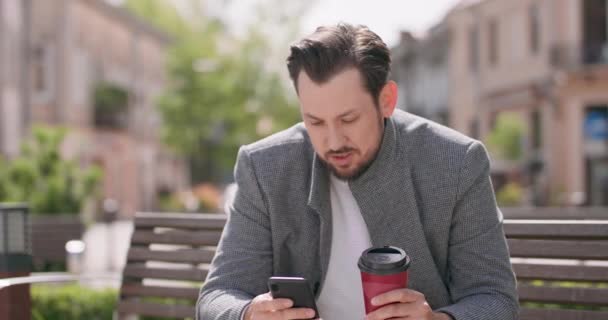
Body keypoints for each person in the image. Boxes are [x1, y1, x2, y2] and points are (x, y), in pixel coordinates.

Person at [197, 23, 518, 320]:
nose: (333, 141)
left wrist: (439, 319)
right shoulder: (264, 166)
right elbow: (217, 296)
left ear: (387, 100)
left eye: (348, 119)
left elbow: (494, 297)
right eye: (315, 122)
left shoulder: (456, 162)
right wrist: (249, 313)